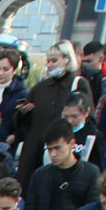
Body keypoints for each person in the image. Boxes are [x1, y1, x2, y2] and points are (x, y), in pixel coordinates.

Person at [16, 42, 94, 179]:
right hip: (34, 153)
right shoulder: (40, 88)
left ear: (66, 59)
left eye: (54, 60)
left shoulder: (78, 84)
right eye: (48, 61)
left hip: (64, 151)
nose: (50, 64)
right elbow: (21, 124)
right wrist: (22, 113)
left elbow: (89, 118)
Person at [0, 50, 28, 145]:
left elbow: (25, 123)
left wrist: (14, 137)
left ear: (14, 70)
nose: (0, 73)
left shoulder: (22, 95)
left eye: (6, 69)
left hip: (3, 145)